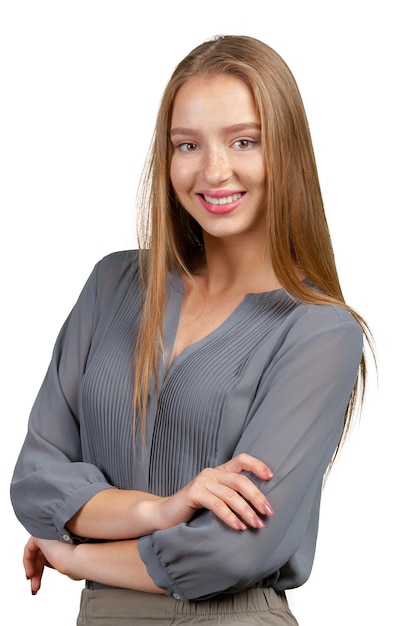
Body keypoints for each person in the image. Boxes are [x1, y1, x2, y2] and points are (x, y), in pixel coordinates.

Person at [10, 35, 372, 625]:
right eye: (187, 144)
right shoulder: (113, 285)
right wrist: (160, 511)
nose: (214, 170)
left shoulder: (318, 332)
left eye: (244, 141)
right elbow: (36, 480)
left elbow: (232, 550)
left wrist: (77, 556)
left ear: (287, 152)